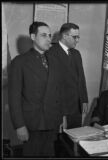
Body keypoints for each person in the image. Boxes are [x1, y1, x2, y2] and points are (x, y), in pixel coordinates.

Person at [8, 21, 63, 157]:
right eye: (44, 35)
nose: (49, 39)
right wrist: (19, 125)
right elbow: (14, 98)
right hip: (31, 124)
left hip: (51, 123)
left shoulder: (55, 60)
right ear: (33, 37)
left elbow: (58, 92)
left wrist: (60, 119)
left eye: (50, 35)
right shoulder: (19, 62)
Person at [47, 23, 88, 129]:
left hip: (76, 106)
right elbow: (52, 86)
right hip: (61, 107)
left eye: (78, 37)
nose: (77, 40)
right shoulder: (51, 53)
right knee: (61, 142)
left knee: (74, 136)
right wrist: (60, 113)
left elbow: (81, 78)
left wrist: (84, 99)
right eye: (75, 37)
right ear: (64, 36)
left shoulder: (76, 54)